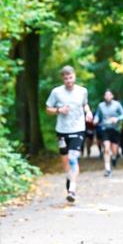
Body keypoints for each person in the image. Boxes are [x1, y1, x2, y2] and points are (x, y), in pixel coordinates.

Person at [45, 66, 93, 203]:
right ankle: (69, 176)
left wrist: (88, 112)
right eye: (66, 78)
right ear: (62, 79)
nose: (68, 81)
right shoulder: (56, 92)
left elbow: (85, 105)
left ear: (75, 76)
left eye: (70, 77)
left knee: (73, 158)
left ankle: (72, 189)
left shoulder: (82, 91)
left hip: (78, 129)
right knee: (65, 161)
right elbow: (48, 109)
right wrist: (59, 110)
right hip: (61, 130)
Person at [94, 89, 123, 177]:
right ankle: (107, 169)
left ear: (112, 96)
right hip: (105, 128)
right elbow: (97, 114)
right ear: (104, 97)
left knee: (114, 150)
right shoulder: (101, 105)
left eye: (109, 95)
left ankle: (114, 157)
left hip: (115, 129)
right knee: (106, 149)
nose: (108, 97)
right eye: (106, 95)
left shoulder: (117, 104)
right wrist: (96, 119)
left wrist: (117, 119)